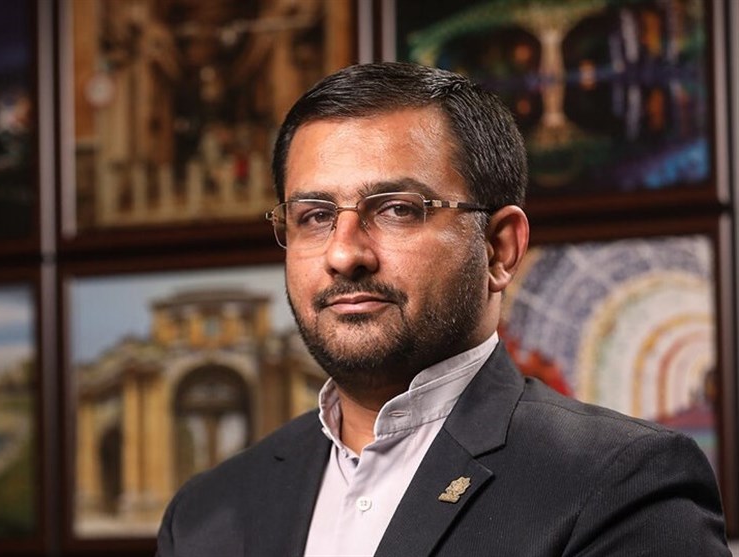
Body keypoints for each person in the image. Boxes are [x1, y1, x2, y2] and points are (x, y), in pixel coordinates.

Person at [156, 62, 731, 556]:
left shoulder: (621, 485)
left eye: (398, 209)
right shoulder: (205, 515)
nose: (344, 254)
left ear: (499, 249)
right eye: (315, 216)